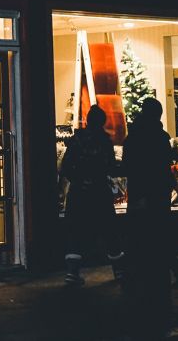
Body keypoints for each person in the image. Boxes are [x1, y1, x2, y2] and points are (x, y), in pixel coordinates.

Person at [123, 96, 174, 337]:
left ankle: (136, 276)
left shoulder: (133, 136)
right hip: (158, 195)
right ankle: (157, 274)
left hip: (140, 194)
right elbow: (164, 164)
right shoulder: (161, 137)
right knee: (158, 234)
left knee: (139, 236)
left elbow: (128, 164)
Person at [59, 104, 125, 286]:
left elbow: (65, 167)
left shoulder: (76, 140)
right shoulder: (104, 141)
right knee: (110, 230)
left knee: (75, 231)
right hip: (99, 192)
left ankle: (72, 273)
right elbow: (111, 166)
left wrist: (78, 180)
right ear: (102, 122)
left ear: (88, 120)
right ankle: (119, 271)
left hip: (79, 193)